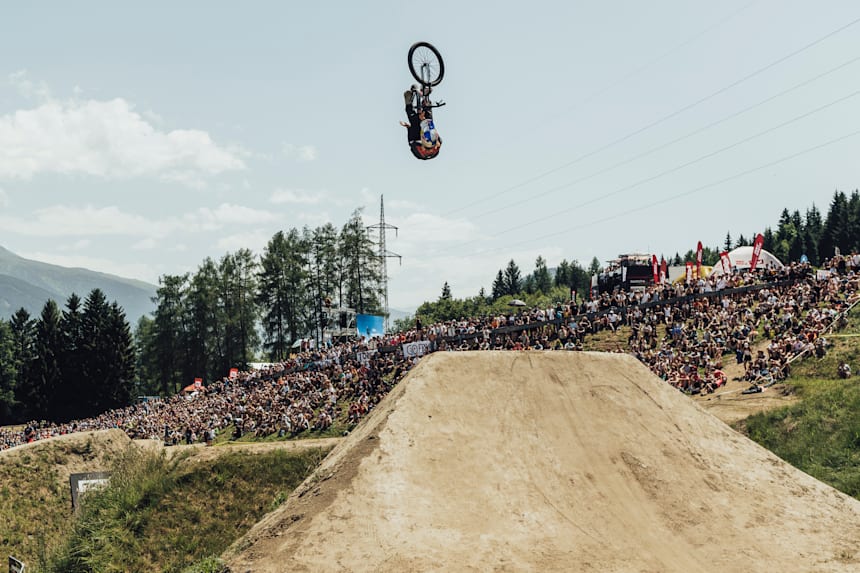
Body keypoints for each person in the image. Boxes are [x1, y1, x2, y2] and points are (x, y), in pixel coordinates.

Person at [400, 87, 442, 160]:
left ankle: (408, 101)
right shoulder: (435, 141)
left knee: (413, 120)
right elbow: (429, 126)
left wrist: (407, 126)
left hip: (415, 138)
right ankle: (425, 96)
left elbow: (411, 137)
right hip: (431, 138)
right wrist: (423, 118)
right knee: (428, 116)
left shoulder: (416, 147)